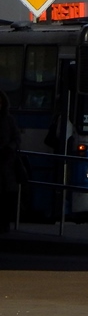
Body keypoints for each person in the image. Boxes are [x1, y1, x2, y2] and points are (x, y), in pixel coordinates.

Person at [0, 91, 23, 233]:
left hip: (5, 161)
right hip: (5, 161)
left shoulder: (8, 119)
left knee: (6, 195)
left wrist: (9, 149)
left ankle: (4, 223)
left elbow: (16, 138)